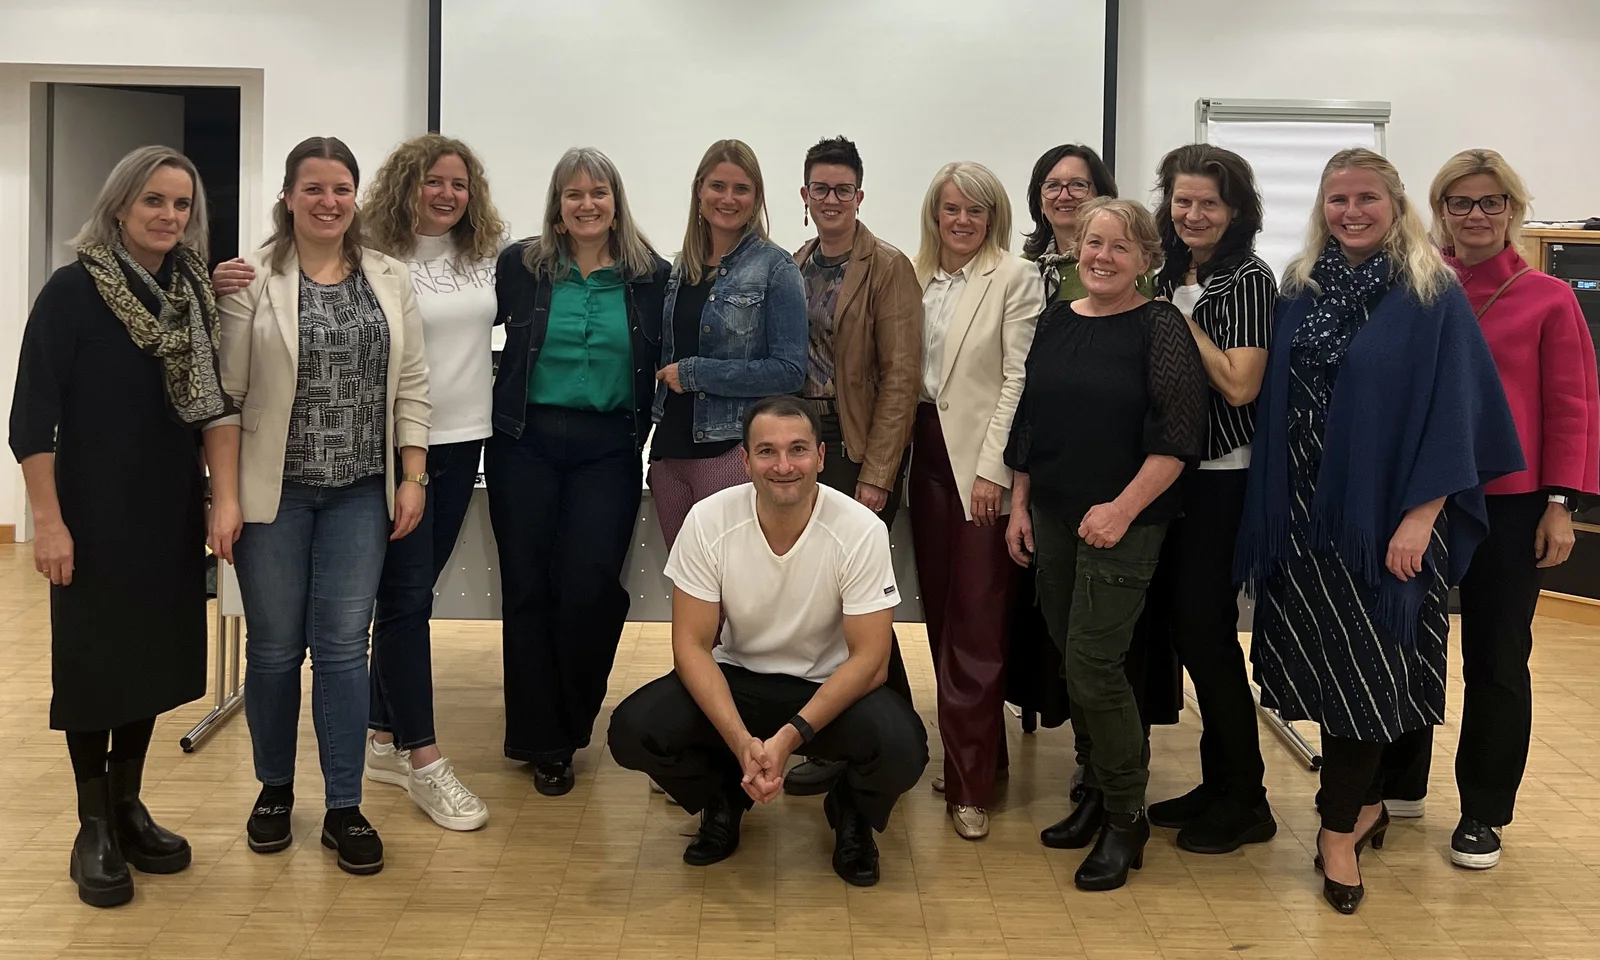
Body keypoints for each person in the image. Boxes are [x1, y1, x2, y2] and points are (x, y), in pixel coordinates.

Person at [1235, 148, 1523, 914]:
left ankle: (1336, 832)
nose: (1352, 212)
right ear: (1322, 208)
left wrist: (1422, 518)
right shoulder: (1299, 287)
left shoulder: (1431, 294)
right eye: (1338, 199)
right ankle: (1362, 807)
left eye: (1367, 198)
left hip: (1388, 523)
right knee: (1326, 675)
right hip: (1303, 520)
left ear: (1396, 205)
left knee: (1367, 680)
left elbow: (1458, 418)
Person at [212, 133, 501, 830]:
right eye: (313, 188)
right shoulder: (253, 280)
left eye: (340, 188)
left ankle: (345, 805)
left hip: (360, 495)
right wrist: (223, 497)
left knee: (344, 650)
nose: (328, 201)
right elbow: (225, 399)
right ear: (288, 197)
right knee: (275, 650)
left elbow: (412, 383)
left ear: (355, 197)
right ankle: (275, 791)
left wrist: (412, 476)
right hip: (274, 497)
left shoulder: (387, 276)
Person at [10, 146, 231, 907]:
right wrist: (47, 523)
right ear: (119, 207)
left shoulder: (191, 293)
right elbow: (31, 419)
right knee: (95, 665)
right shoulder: (73, 290)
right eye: (153, 201)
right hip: (91, 512)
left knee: (150, 659)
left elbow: (210, 404)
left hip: (168, 507)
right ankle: (93, 826)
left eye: (181, 204)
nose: (169, 216)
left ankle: (129, 804)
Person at [1374, 149, 1597, 869]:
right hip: (1421, 500)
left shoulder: (1549, 298)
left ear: (1512, 210)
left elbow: (1572, 407)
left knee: (1498, 658)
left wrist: (1560, 504)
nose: (1475, 215)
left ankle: (1483, 811)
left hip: (1511, 503)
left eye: (1491, 202)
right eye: (1460, 202)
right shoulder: (1415, 288)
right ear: (1440, 210)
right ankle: (1400, 781)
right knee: (1407, 643)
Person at [607, 397, 928, 887]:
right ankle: (723, 796)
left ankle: (851, 810)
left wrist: (787, 739)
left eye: (797, 449)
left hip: (827, 687)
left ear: (821, 456)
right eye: (766, 451)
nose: (783, 466)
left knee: (904, 748)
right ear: (745, 460)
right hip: (740, 678)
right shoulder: (708, 520)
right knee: (632, 731)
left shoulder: (859, 529)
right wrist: (742, 744)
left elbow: (871, 662)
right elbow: (691, 647)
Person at [1005, 198, 1207, 890]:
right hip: (1054, 514)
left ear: (1147, 259)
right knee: (1071, 657)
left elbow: (1178, 439)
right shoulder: (1057, 320)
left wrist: (1121, 511)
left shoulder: (1160, 326)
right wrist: (1020, 506)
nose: (1103, 256)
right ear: (1076, 250)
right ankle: (1093, 788)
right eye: (1094, 243)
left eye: (1121, 247)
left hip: (1126, 522)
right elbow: (1030, 422)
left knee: (1095, 663)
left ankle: (1126, 814)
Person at [486, 147, 670, 796]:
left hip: (609, 447)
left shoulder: (652, 276)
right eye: (573, 194)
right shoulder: (521, 266)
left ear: (616, 203)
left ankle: (570, 722)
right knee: (527, 589)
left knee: (589, 589)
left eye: (598, 193)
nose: (586, 204)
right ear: (557, 207)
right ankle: (541, 739)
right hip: (523, 443)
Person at [1140, 144, 1278, 854]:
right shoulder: (1169, 270)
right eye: (1182, 201)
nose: (1192, 215)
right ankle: (1219, 782)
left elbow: (1240, 384)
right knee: (1186, 629)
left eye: (1209, 204)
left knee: (1206, 633)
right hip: (1169, 469)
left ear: (1236, 211)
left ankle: (1247, 798)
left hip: (1222, 474)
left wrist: (1173, 317)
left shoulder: (1249, 279)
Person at [781, 136, 922, 796]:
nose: (831, 199)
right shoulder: (794, 263)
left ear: (859, 196)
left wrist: (878, 474)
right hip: (804, 446)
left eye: (843, 189)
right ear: (805, 195)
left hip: (858, 447)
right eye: (821, 188)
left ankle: (889, 740)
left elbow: (901, 378)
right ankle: (855, 739)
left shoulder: (888, 266)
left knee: (857, 603)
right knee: (824, 604)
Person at [909, 161, 1044, 840]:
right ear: (934, 215)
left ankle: (969, 789)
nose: (962, 221)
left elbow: (1019, 380)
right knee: (942, 618)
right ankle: (980, 758)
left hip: (979, 466)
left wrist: (996, 470)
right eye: (951, 209)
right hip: (924, 458)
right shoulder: (914, 276)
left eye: (976, 210)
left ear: (995, 218)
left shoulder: (1015, 277)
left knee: (978, 622)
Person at [648, 139, 806, 549]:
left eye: (741, 189)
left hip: (730, 453)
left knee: (736, 582)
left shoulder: (776, 268)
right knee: (686, 581)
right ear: (699, 190)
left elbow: (789, 371)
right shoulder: (680, 269)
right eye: (718, 186)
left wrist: (697, 374)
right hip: (669, 455)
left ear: (756, 199)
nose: (728, 198)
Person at [1021, 143, 1153, 302]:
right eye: (1052, 186)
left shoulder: (1119, 266)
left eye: (1078, 185)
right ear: (1040, 203)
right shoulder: (1021, 268)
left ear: (1101, 196)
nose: (1064, 196)